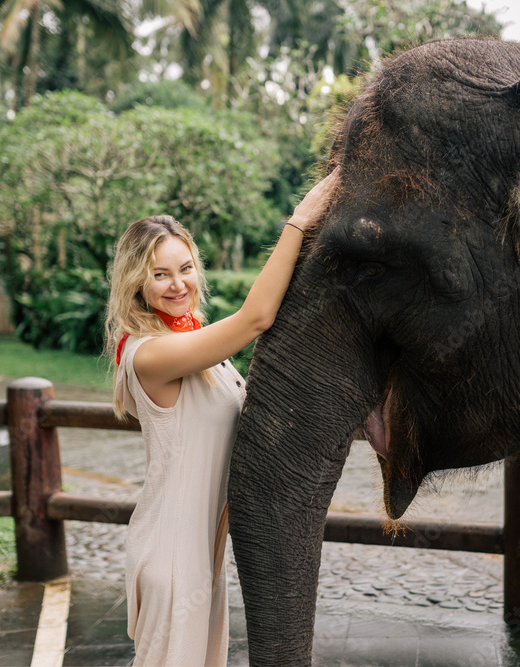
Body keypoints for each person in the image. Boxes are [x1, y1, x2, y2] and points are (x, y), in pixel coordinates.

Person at [104, 169, 339, 666]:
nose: (177, 284)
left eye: (185, 268)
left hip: (203, 554)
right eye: (159, 274)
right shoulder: (149, 355)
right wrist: (298, 223)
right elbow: (255, 319)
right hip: (172, 554)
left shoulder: (196, 345)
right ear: (135, 283)